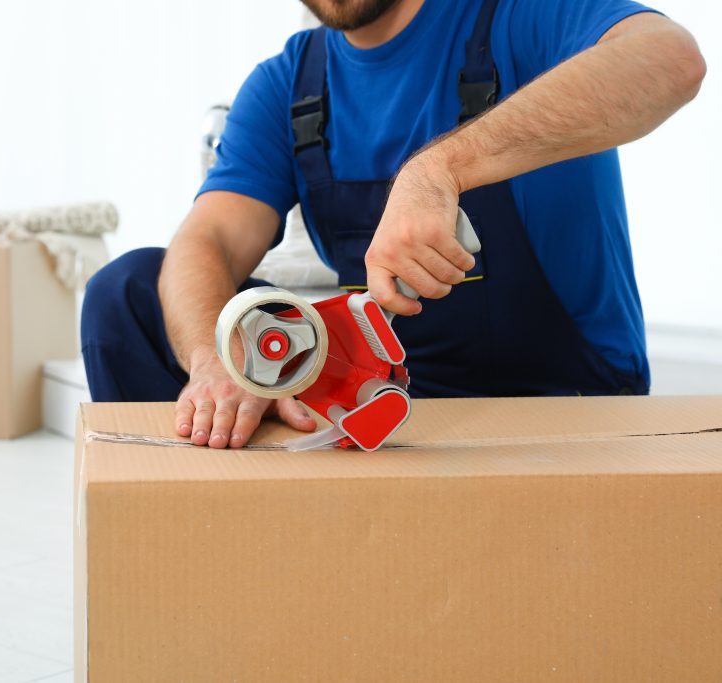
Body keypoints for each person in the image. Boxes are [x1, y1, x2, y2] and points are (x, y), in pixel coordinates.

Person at [81, 0, 706, 449]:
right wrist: (214, 361)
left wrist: (438, 171)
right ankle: (205, 553)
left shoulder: (520, 13)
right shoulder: (287, 84)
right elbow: (207, 238)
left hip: (559, 395)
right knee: (128, 292)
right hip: (388, 389)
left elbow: (670, 61)